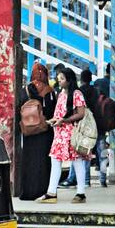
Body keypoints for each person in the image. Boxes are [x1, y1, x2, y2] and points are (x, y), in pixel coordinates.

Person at [40, 67, 90, 204]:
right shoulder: (61, 93)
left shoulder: (77, 94)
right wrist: (55, 120)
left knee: (77, 160)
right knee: (56, 159)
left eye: (62, 79)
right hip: (60, 132)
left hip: (72, 132)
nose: (59, 81)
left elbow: (81, 113)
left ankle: (80, 192)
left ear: (69, 80)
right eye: (58, 78)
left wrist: (64, 120)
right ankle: (52, 192)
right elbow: (60, 113)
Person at [16, 62, 55, 201]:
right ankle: (41, 191)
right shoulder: (48, 91)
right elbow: (52, 111)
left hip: (28, 132)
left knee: (29, 160)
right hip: (43, 132)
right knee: (42, 161)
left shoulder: (24, 90)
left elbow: (18, 108)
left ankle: (27, 192)